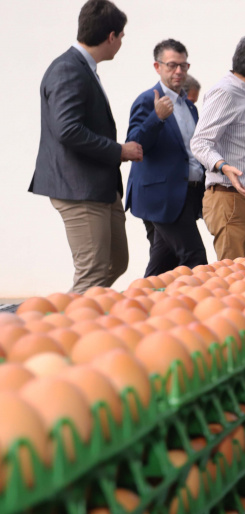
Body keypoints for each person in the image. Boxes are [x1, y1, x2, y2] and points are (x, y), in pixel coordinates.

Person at [29, 0, 141, 294]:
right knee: (92, 272)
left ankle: (79, 318)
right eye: (122, 36)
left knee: (116, 261)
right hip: (80, 188)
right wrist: (120, 151)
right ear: (111, 36)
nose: (121, 43)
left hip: (100, 186)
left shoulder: (82, 67)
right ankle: (65, 333)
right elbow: (67, 130)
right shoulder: (68, 69)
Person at [190, 35, 245, 261]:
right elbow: (200, 142)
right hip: (230, 199)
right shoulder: (226, 92)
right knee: (235, 284)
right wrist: (223, 166)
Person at [125, 38, 207, 277]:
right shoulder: (147, 100)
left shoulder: (189, 106)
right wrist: (157, 117)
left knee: (164, 263)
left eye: (183, 65)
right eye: (172, 65)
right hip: (161, 195)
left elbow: (191, 150)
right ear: (157, 67)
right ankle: (201, 312)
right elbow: (135, 146)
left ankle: (141, 306)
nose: (179, 71)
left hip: (187, 194)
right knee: (195, 258)